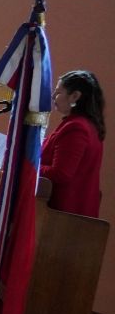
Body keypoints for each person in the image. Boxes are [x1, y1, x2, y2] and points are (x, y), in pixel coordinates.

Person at [43, 70, 105, 217]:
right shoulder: (83, 125)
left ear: (75, 96)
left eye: (58, 92)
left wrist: (29, 166)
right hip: (67, 211)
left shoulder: (76, 127)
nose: (53, 96)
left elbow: (61, 173)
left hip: (62, 213)